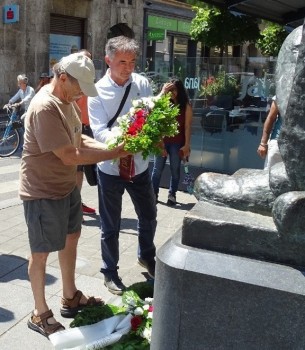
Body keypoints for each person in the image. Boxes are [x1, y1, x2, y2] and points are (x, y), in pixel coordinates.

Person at [19, 52, 129, 338]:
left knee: (71, 239)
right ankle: (39, 312)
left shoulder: (67, 99)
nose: (82, 94)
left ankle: (70, 296)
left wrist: (112, 144)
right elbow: (70, 155)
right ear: (63, 77)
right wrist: (114, 153)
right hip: (42, 191)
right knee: (40, 253)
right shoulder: (45, 106)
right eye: (79, 87)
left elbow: (79, 139)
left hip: (66, 187)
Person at [88, 36, 157, 295]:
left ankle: (147, 256)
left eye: (132, 62)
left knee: (148, 215)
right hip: (111, 168)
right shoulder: (96, 92)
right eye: (122, 62)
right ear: (108, 60)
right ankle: (110, 271)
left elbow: (150, 116)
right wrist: (126, 141)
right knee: (110, 224)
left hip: (139, 166)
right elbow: (99, 132)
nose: (128, 68)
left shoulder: (142, 84)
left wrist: (149, 135)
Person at [151, 78, 193, 205]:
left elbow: (187, 127)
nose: (172, 92)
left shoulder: (185, 106)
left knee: (175, 170)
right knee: (157, 169)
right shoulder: (162, 104)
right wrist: (159, 143)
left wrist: (186, 145)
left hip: (177, 143)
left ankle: (172, 195)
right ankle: (153, 195)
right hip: (162, 141)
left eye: (174, 89)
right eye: (169, 90)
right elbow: (155, 122)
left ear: (179, 90)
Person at [76, 49, 96, 216]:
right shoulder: (73, 80)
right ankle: (73, 206)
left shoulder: (89, 80)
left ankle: (77, 203)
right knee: (74, 169)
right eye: (83, 59)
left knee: (80, 170)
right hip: (75, 128)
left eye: (89, 59)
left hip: (87, 128)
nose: (86, 62)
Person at [257, 96, 282, 170]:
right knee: (269, 176)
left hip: (300, 146)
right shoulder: (283, 91)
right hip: (278, 143)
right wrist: (263, 143)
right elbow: (271, 118)